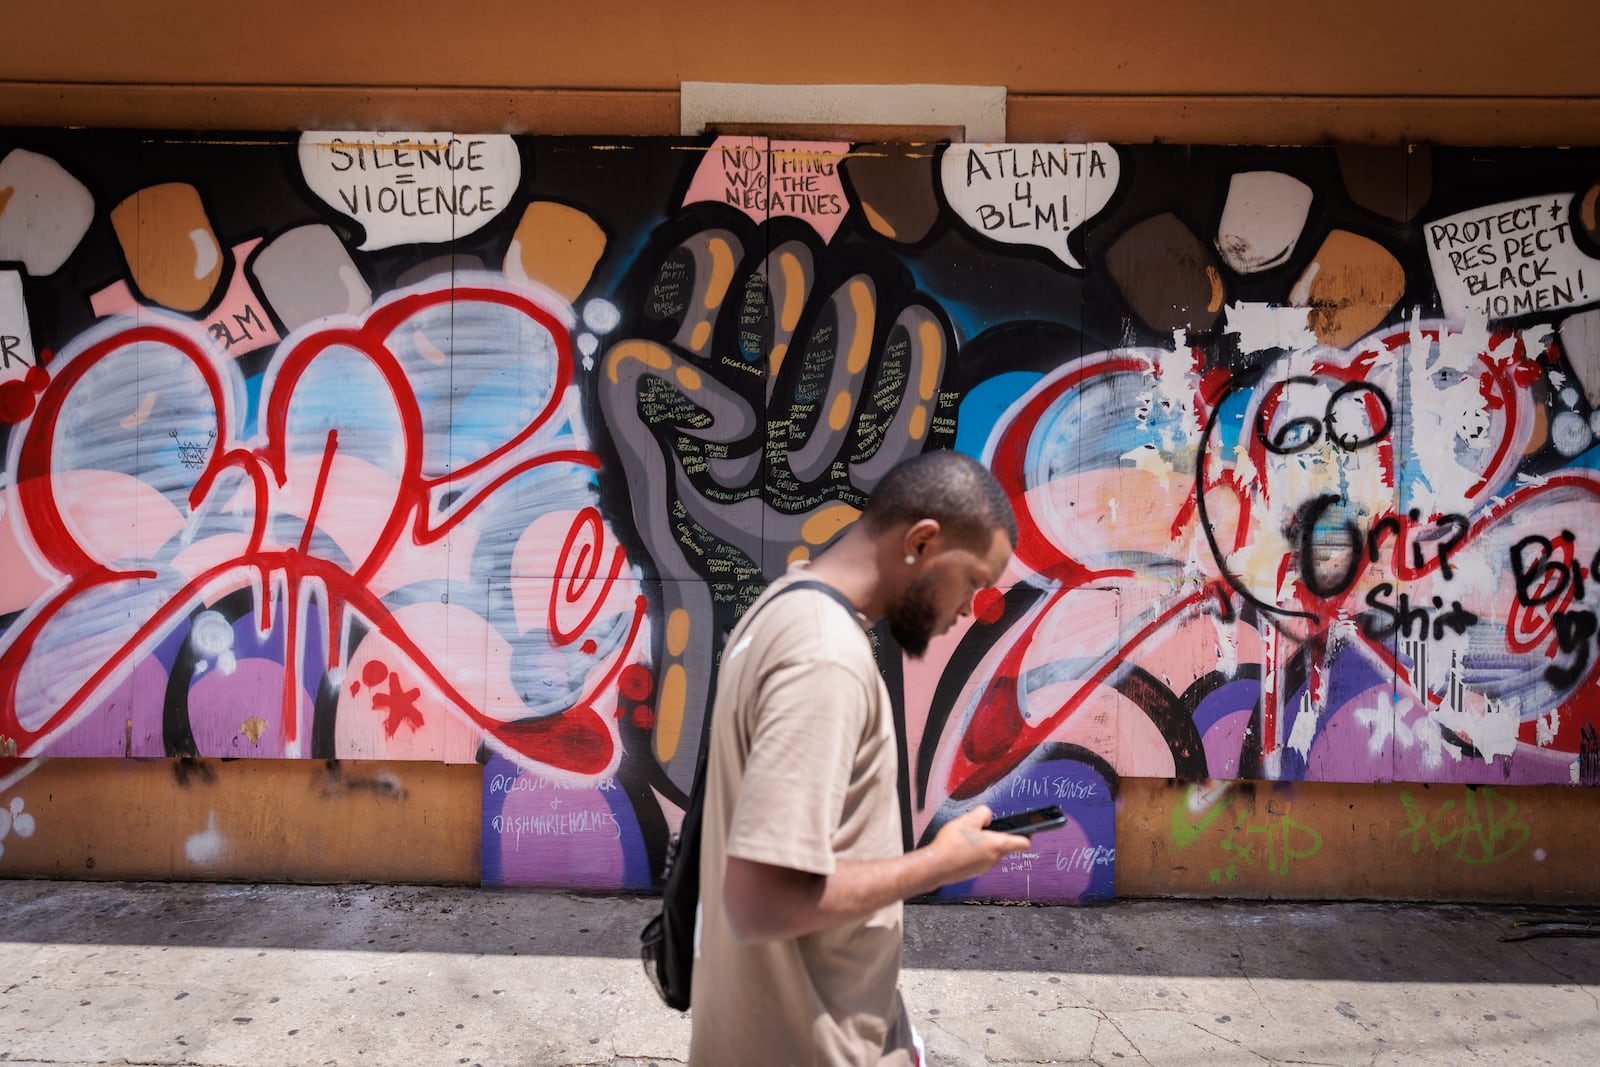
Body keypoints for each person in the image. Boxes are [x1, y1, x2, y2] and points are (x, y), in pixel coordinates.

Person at [689, 450, 1033, 1066]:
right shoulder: (825, 657)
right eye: (974, 581)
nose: (967, 610)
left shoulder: (782, 606)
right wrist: (935, 865)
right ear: (923, 542)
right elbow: (760, 900)